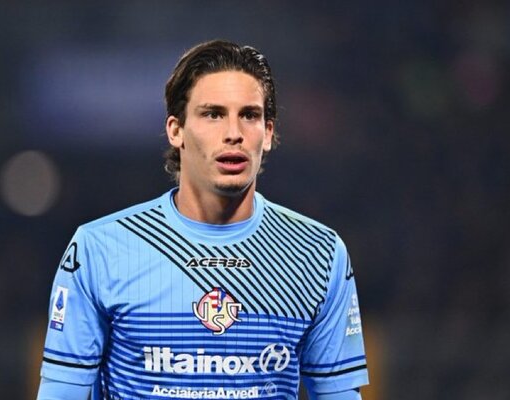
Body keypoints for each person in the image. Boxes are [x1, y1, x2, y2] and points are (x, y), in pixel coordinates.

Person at [37, 40, 369, 400]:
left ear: (269, 133)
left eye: (249, 115)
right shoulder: (100, 249)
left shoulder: (318, 254)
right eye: (213, 114)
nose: (233, 133)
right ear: (175, 130)